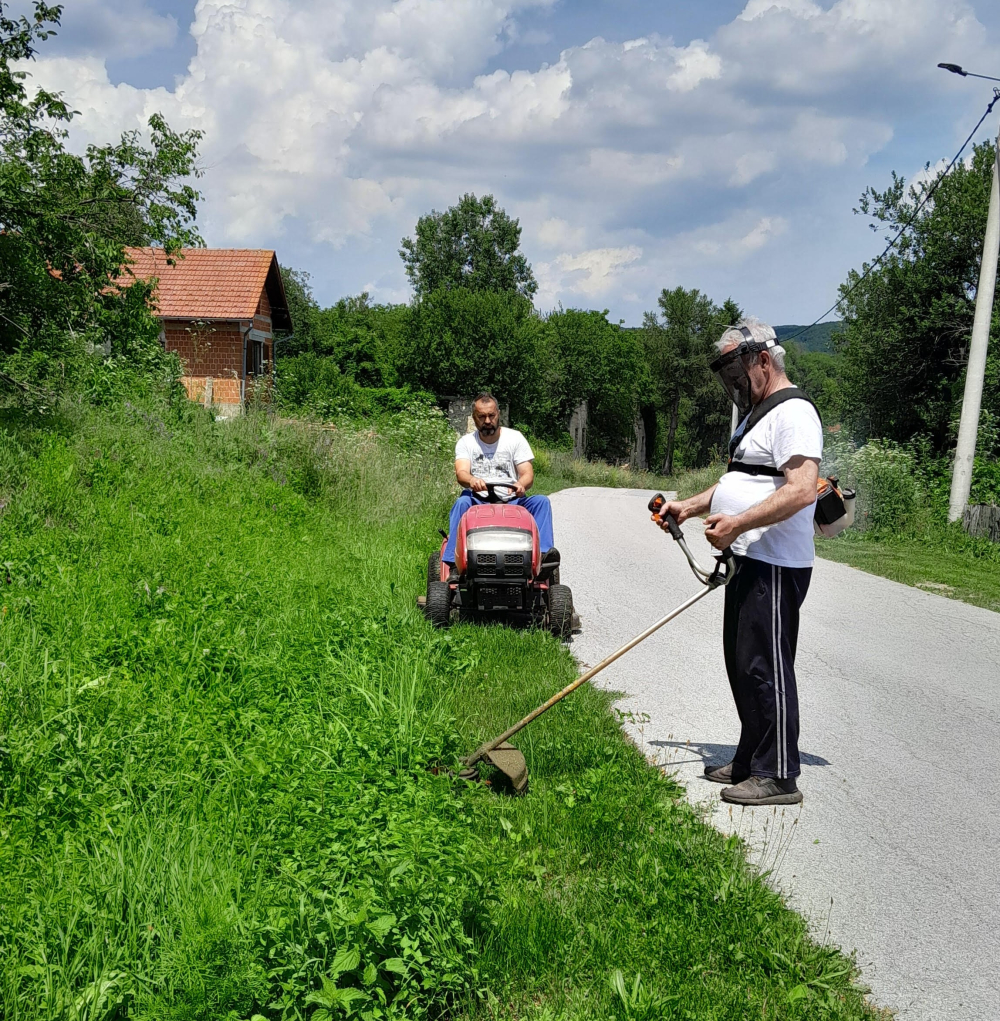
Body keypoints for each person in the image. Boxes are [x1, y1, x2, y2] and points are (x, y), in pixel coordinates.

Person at [658, 317, 822, 806]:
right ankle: (751, 758)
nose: (733, 387)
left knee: (766, 666)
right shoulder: (760, 415)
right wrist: (688, 507)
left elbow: (801, 490)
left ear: (764, 361)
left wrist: (739, 524)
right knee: (742, 662)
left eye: (738, 375)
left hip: (775, 562)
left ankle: (778, 773)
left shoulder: (793, 413)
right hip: (749, 559)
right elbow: (743, 481)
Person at [442, 393, 559, 573]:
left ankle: (542, 557)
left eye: (491, 415)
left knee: (541, 502)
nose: (487, 420)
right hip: (477, 500)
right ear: (474, 418)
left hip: (512, 499)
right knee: (461, 503)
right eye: (482, 417)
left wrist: (521, 484)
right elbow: (461, 473)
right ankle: (453, 563)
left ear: (498, 414)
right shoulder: (466, 442)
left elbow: (527, 473)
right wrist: (472, 480)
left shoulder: (515, 438)